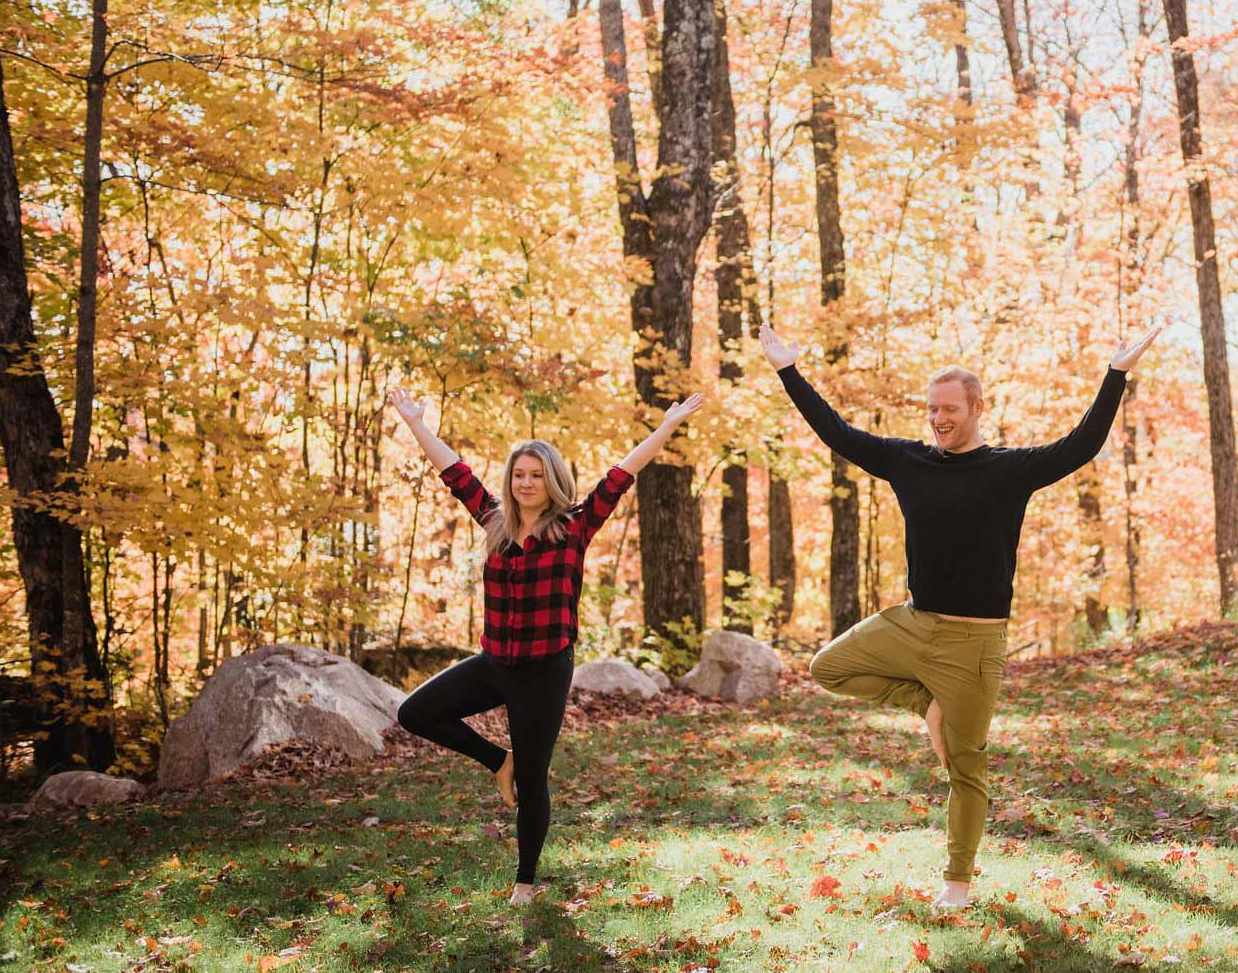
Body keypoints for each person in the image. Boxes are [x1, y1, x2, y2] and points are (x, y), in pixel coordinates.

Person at [762, 323, 1161, 908]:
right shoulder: (908, 461)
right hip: (912, 623)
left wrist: (1115, 375)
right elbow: (838, 434)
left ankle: (957, 883)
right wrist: (787, 371)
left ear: (977, 407)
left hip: (975, 645)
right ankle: (927, 704)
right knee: (828, 667)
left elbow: (1081, 446)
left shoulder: (1012, 469)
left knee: (966, 768)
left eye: (948, 408)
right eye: (931, 409)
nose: (938, 418)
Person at [387, 387, 705, 906]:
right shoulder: (493, 520)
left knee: (534, 783)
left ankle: (525, 882)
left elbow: (621, 475)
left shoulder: (575, 525)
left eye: (536, 475)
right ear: (511, 481)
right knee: (415, 712)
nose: (527, 482)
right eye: (519, 474)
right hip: (495, 662)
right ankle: (498, 760)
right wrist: (417, 424)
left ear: (552, 480)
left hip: (545, 672)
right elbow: (454, 471)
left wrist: (666, 427)